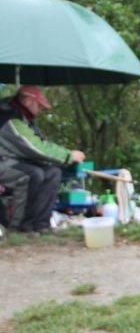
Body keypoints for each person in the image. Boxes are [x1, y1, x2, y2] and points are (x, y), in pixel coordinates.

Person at [0, 85, 86, 234]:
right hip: (3, 163)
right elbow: (34, 147)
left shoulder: (25, 118)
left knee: (53, 172)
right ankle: (20, 227)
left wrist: (62, 158)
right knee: (32, 174)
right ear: (27, 100)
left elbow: (43, 144)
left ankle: (41, 224)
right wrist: (68, 155)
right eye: (38, 104)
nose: (40, 109)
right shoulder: (9, 117)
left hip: (14, 163)